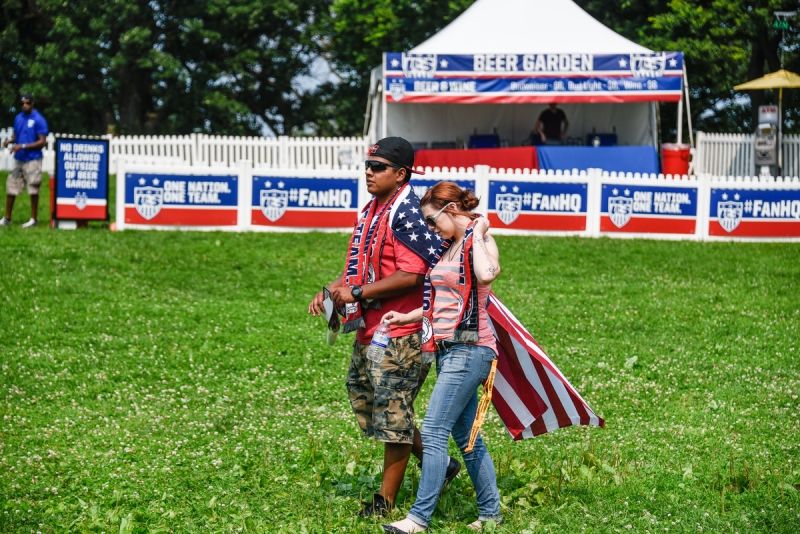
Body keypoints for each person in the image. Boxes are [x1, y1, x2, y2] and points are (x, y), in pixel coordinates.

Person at [307, 137, 460, 518]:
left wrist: (356, 292)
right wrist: (334, 290)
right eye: (368, 165)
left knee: (393, 413)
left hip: (403, 330)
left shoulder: (405, 212)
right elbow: (359, 261)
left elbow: (412, 274)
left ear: (401, 173)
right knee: (366, 398)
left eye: (378, 167)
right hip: (370, 328)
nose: (369, 172)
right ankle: (441, 465)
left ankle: (384, 501)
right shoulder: (373, 209)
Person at [381, 182, 503, 533]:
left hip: (472, 348)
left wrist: (477, 230)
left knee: (433, 430)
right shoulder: (448, 248)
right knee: (466, 437)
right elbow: (444, 302)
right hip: (448, 350)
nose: (431, 229)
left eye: (433, 221)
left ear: (451, 211)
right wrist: (408, 318)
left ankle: (418, 519)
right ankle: (491, 514)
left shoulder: (479, 242)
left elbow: (486, 275)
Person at [1, 94, 49, 228]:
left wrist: (22, 146)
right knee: (11, 186)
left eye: (27, 103)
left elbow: (42, 141)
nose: (24, 106)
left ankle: (33, 219)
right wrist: (10, 141)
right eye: (22, 103)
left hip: (33, 159)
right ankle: (7, 218)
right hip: (19, 159)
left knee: (33, 188)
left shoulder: (39, 119)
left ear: (32, 104)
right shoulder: (18, 118)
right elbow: (17, 135)